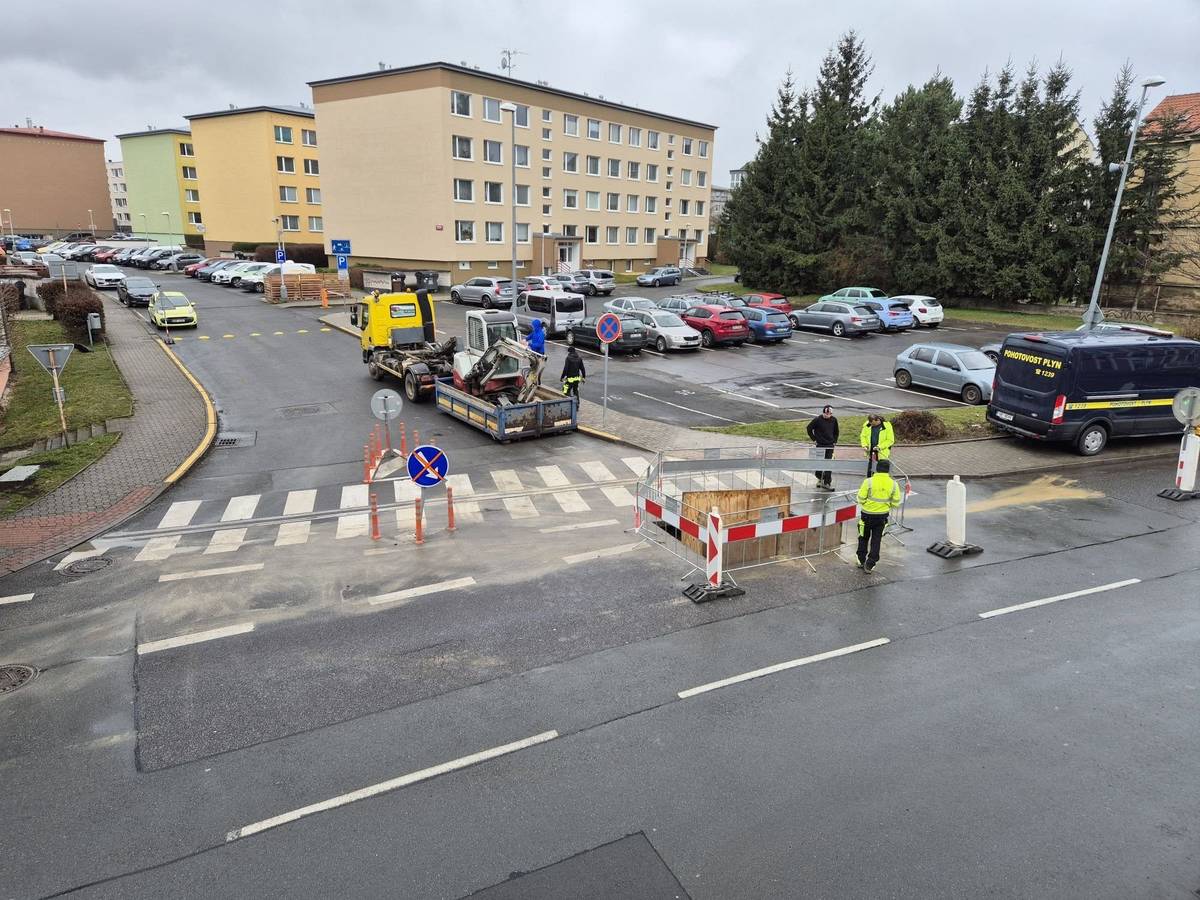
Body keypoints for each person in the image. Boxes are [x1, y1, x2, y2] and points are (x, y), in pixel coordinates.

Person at [855, 459, 902, 572]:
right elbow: (896, 503)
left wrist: (868, 504)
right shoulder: (894, 484)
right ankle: (870, 563)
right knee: (876, 540)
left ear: (877, 469)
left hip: (866, 515)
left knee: (863, 537)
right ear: (888, 471)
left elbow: (860, 498)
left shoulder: (868, 482)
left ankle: (861, 560)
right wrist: (886, 505)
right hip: (881, 517)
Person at [806, 405, 840, 490]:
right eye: (826, 414)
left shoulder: (834, 420)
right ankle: (820, 478)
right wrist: (814, 439)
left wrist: (835, 441)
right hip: (820, 445)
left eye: (830, 414)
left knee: (829, 464)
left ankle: (827, 482)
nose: (828, 416)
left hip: (830, 445)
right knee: (819, 463)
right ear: (823, 412)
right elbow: (809, 428)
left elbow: (836, 431)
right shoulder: (817, 420)